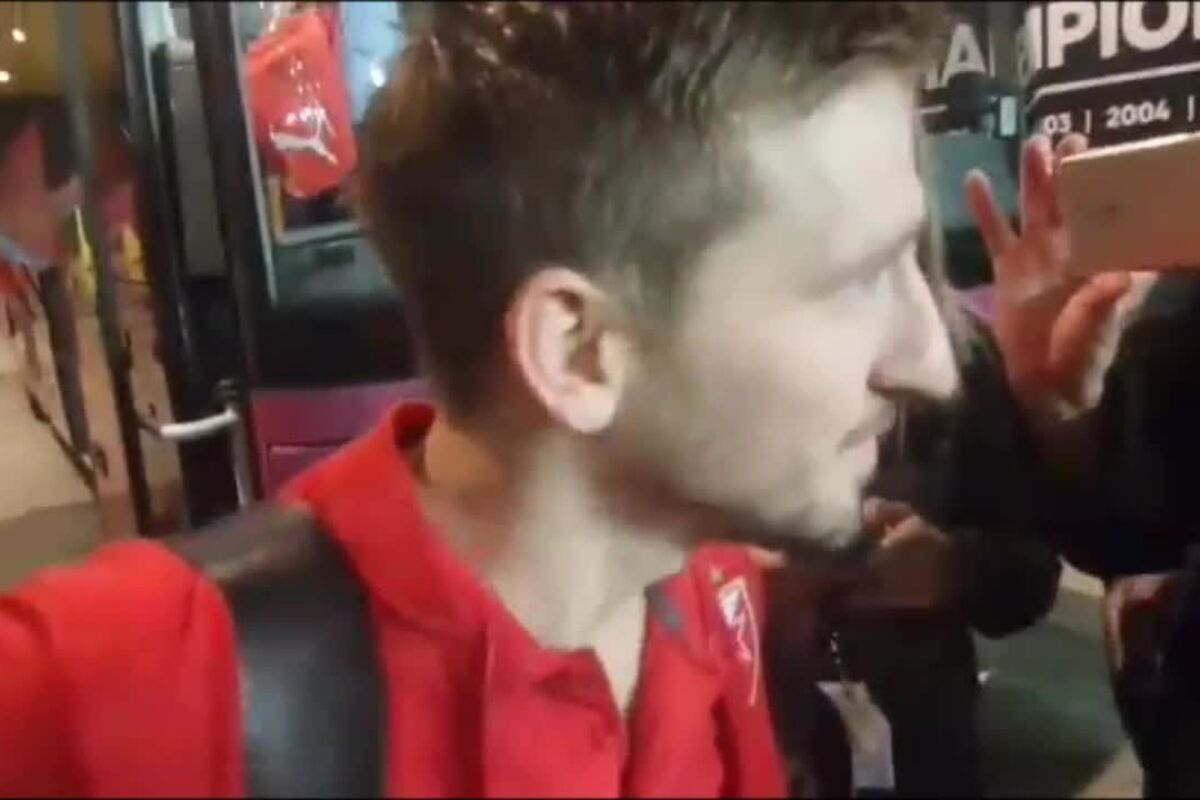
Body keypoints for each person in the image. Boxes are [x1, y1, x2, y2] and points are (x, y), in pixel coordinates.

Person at [0, 2, 963, 796]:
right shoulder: (136, 687)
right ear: (579, 353)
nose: (935, 364)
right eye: (860, 280)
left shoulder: (705, 575)